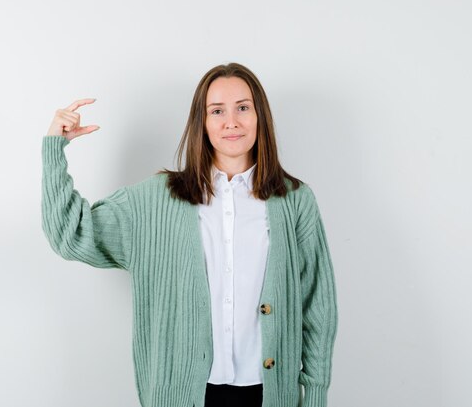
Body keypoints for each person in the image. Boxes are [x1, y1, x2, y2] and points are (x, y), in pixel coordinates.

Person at [41, 62, 338, 407]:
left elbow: (318, 306)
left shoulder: (295, 201)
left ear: (260, 117)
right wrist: (53, 149)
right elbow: (70, 233)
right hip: (184, 395)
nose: (232, 122)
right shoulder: (155, 200)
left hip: (269, 393)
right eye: (217, 111)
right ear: (202, 122)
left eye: (243, 107)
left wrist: (315, 394)